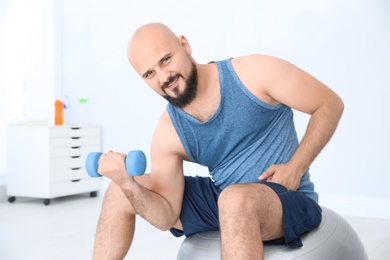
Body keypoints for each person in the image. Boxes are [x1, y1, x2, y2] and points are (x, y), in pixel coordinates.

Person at [92, 22, 344, 260]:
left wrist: (295, 168)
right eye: (149, 73)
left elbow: (329, 104)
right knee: (118, 192)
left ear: (185, 45)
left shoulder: (255, 73)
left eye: (166, 59)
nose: (163, 77)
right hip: (227, 199)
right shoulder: (169, 132)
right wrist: (126, 183)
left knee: (234, 199)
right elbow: (166, 215)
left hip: (287, 199)